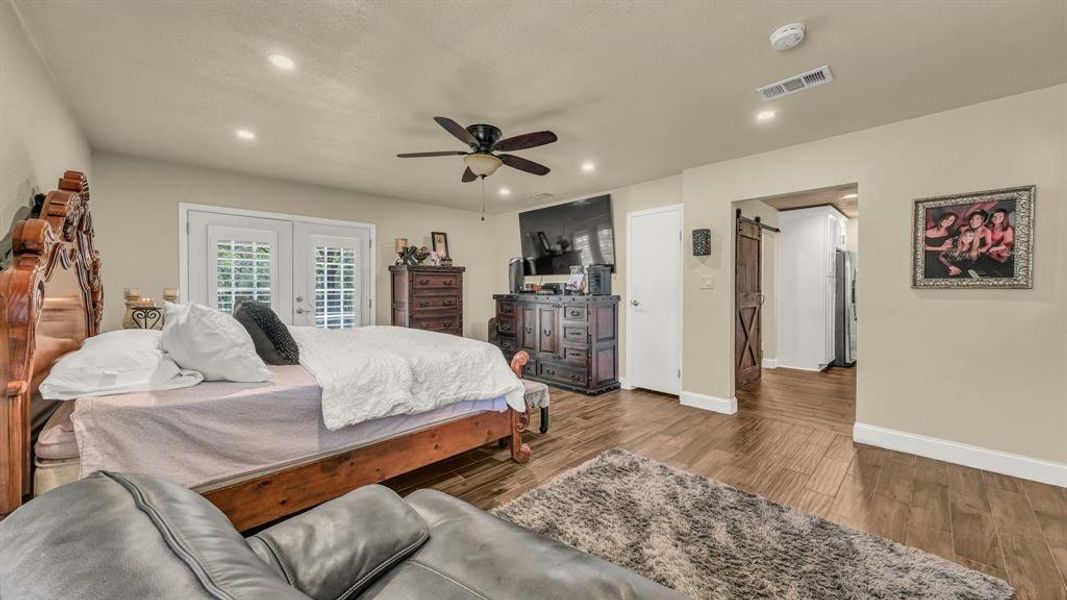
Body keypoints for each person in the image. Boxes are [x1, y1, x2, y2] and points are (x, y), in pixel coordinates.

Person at [923, 212, 957, 278]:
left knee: (953, 272)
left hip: (941, 256)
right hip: (929, 256)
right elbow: (922, 247)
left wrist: (949, 247)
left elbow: (947, 248)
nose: (948, 221)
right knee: (940, 273)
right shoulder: (927, 232)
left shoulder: (949, 232)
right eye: (946, 219)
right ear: (941, 219)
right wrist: (939, 248)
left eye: (951, 220)